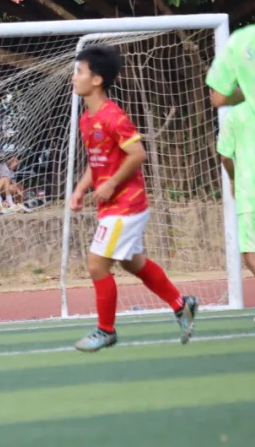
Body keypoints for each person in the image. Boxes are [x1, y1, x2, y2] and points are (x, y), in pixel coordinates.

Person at [69, 45, 198, 352]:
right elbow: (97, 161)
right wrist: (81, 188)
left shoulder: (113, 117)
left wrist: (112, 184)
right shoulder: (87, 118)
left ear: (97, 80)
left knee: (96, 264)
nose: (74, 78)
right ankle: (181, 305)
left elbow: (137, 154)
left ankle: (105, 330)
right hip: (112, 206)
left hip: (126, 205)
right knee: (132, 262)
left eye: (79, 72)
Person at [215, 103, 255, 325]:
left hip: (251, 193)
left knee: (251, 253)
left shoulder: (235, 115)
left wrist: (233, 179)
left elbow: (225, 157)